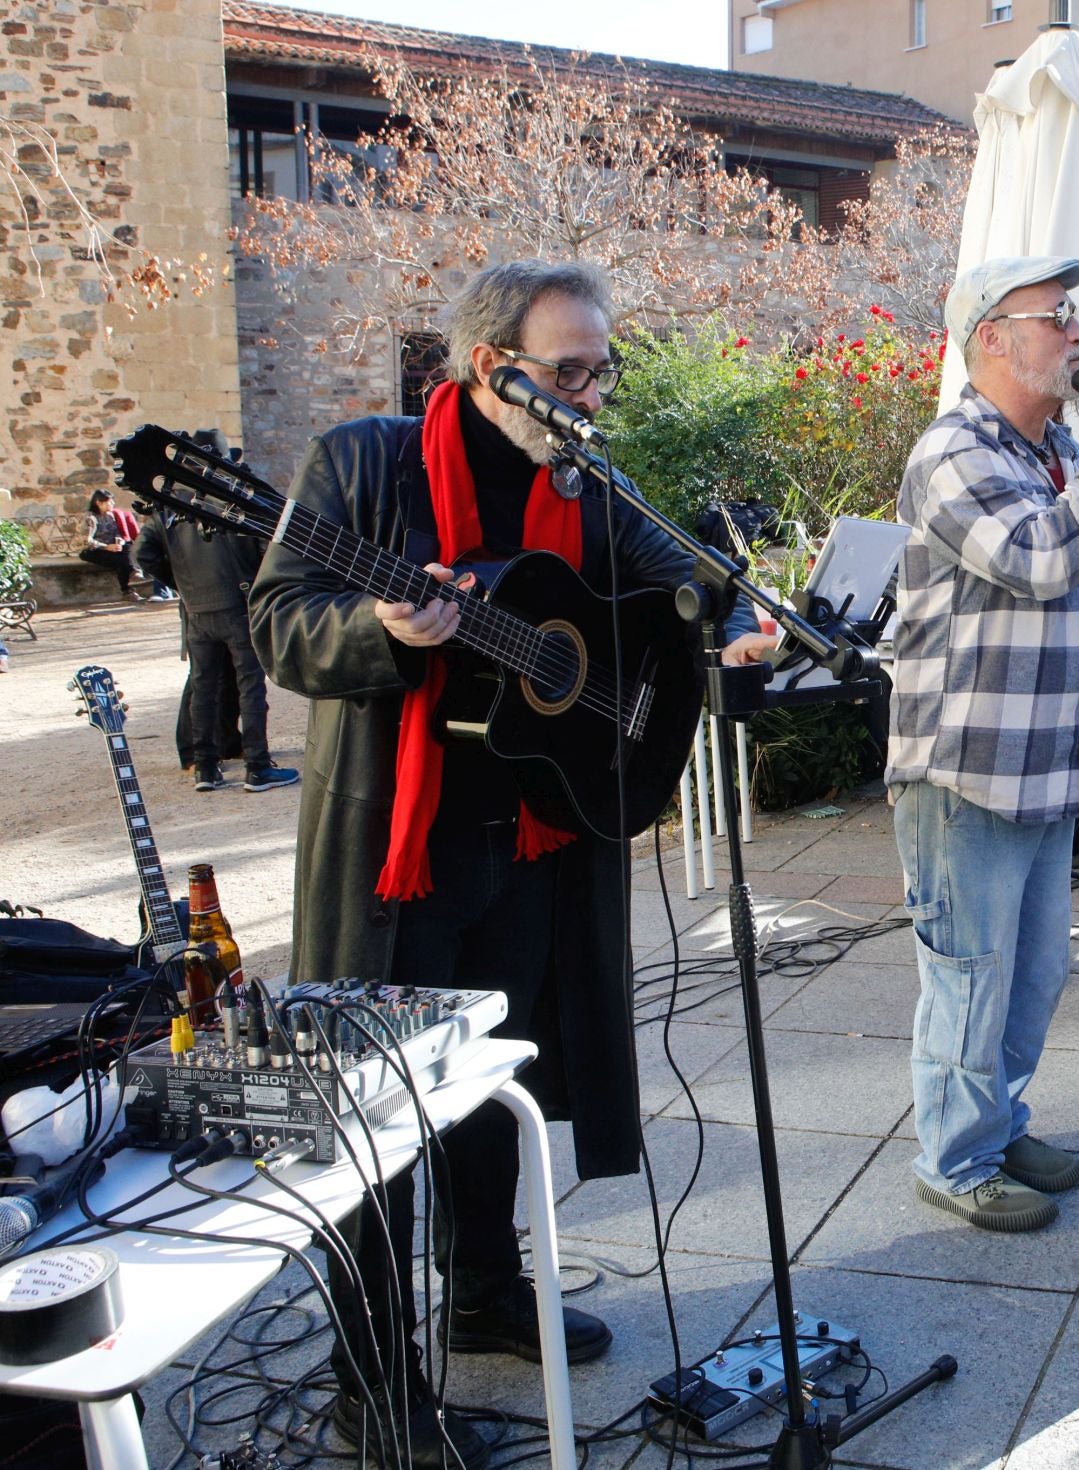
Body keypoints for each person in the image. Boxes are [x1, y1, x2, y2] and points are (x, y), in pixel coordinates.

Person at [250, 259, 772, 1467]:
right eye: (570, 373)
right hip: (402, 849)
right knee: (376, 1125)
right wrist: (380, 628)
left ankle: (485, 1290)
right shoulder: (366, 464)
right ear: (494, 369)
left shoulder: (580, 480)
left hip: (537, 840)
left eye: (603, 370)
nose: (592, 395)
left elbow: (672, 572)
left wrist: (725, 620)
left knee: (499, 1084)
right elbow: (282, 620)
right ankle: (371, 1381)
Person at [889, 255, 1079, 1233]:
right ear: (994, 339)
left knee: (1035, 974)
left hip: (1047, 769)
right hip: (965, 771)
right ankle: (955, 1162)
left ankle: (999, 1124)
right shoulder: (953, 450)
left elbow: (1053, 572)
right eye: (1058, 317)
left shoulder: (1043, 455)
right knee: (968, 978)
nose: (1078, 333)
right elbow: (1039, 557)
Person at [135, 432, 298, 794]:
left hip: (197, 608)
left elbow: (144, 556)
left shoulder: (168, 504)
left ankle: (205, 769)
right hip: (238, 604)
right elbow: (267, 554)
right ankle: (257, 767)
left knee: (203, 686)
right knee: (250, 688)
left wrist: (182, 584)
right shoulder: (239, 501)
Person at [77, 489, 142, 598]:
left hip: (113, 549)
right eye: (109, 502)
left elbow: (118, 534)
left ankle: (132, 578)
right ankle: (130, 584)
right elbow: (86, 541)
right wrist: (106, 547)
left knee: (127, 547)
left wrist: (120, 542)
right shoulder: (91, 518)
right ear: (99, 503)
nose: (112, 504)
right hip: (94, 551)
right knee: (121, 560)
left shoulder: (111, 516)